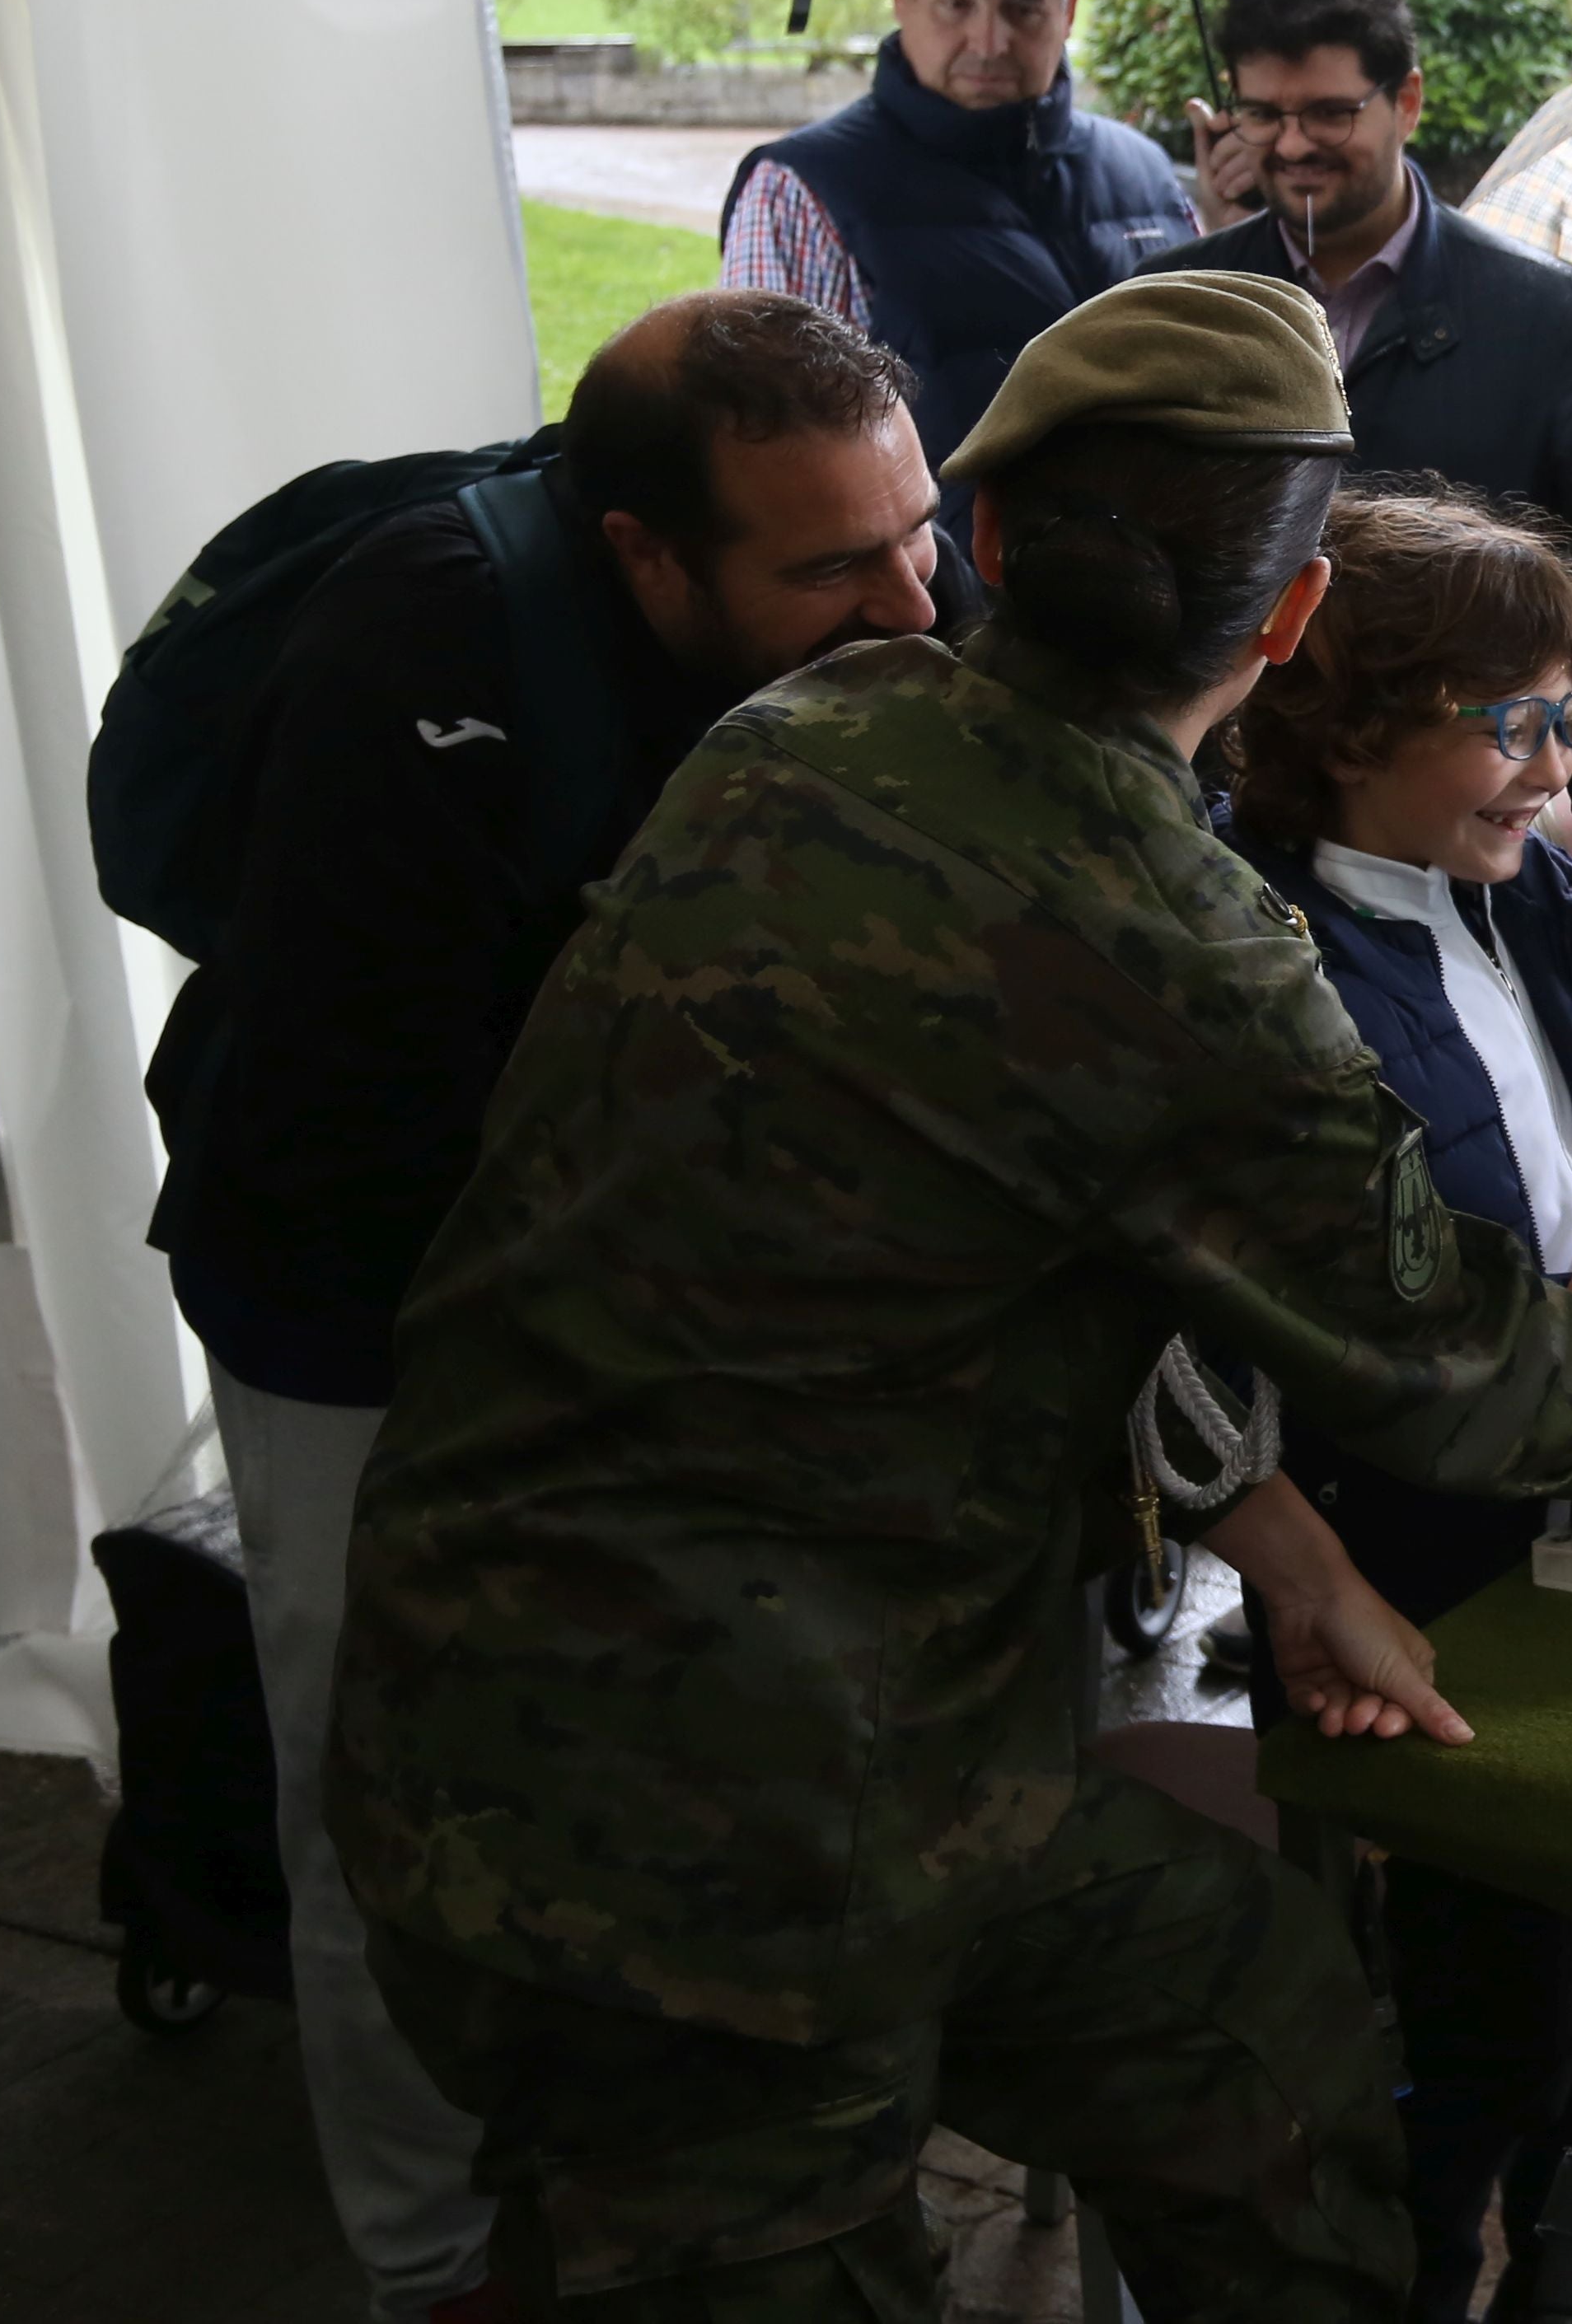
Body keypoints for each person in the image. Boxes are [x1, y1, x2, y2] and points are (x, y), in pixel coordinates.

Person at [331, 275, 1572, 2321]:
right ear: (1281, 626)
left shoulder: (804, 735)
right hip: (685, 1838)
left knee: (1262, 2043)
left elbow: (993, 1204)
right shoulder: (1175, 938)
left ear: (979, 541)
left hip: (704, 1734)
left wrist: (1278, 1528)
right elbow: (1443, 1354)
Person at [143, 290, 962, 2324]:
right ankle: (423, 2265)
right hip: (352, 1302)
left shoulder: (865, 595)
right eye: (831, 566)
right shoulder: (417, 656)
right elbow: (370, 1121)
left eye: (914, 531)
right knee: (385, 1797)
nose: (911, 605)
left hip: (636, 1284)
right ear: (644, 557)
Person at [1218, 489, 1572, 2324]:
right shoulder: (1272, 952)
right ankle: (1443, 2237)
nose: (1549, 761)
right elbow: (1328, 1303)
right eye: (1512, 722)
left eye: (1569, 712)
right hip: (1428, 1532)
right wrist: (1545, 1307)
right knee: (1492, 1964)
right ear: (1340, 720)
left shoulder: (1525, 875)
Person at [1150, 0, 1572, 580]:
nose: (1294, 145)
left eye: (1330, 114)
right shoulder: (1174, 308)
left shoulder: (1545, 318)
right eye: (1263, 115)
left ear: (1407, 102)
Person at [716, 0, 1195, 481]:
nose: (989, 43)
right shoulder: (800, 195)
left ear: (1069, 3)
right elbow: (774, 463)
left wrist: (1241, 237)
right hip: (937, 576)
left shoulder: (1147, 174)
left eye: (1023, 8)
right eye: (957, 3)